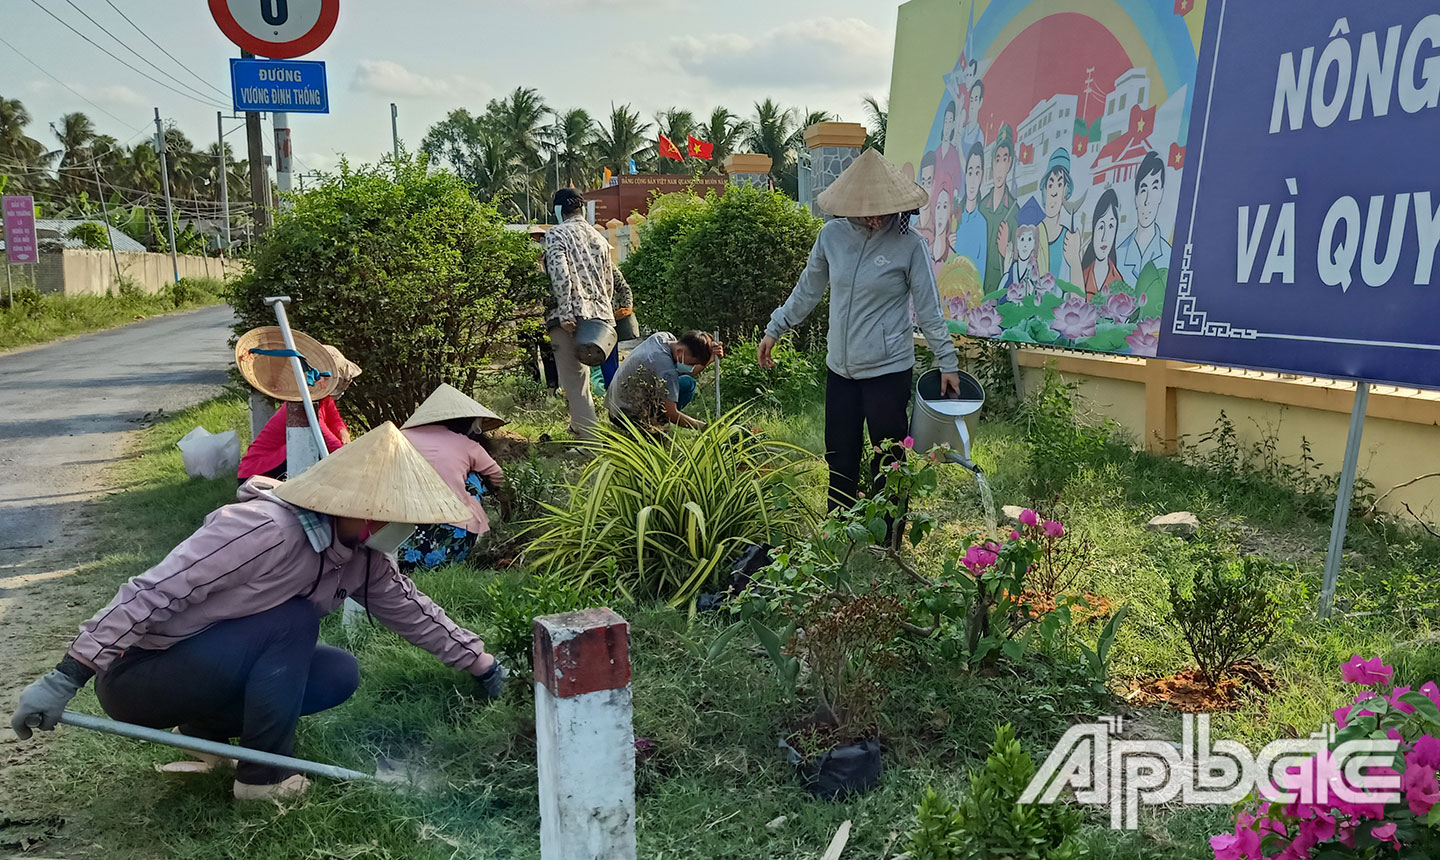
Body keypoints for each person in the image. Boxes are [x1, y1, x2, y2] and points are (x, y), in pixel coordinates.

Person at [8, 423, 506, 801]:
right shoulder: (264, 529)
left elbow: (410, 609)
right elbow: (152, 591)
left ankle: (208, 740)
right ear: (361, 506)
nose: (399, 529)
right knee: (291, 620)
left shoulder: (360, 555)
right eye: (394, 517)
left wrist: (482, 665)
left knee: (337, 672)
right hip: (139, 678)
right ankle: (261, 777)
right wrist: (65, 677)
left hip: (205, 669)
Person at [758, 149, 962, 513]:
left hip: (888, 371)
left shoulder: (909, 245)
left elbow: (929, 309)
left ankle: (889, 534)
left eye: (883, 207)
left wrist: (947, 361)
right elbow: (808, 290)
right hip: (841, 370)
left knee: (889, 458)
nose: (876, 216)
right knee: (840, 455)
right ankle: (840, 527)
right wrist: (776, 329)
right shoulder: (832, 237)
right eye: (867, 208)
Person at [543, 188, 635, 439]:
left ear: (560, 211)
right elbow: (609, 281)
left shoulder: (556, 235)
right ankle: (578, 428)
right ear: (582, 209)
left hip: (569, 317)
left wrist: (565, 311)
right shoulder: (599, 238)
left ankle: (591, 440)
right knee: (584, 376)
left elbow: (560, 275)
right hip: (599, 318)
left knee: (573, 380)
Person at [397, 384, 509, 571]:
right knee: (475, 475)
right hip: (451, 539)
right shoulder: (465, 444)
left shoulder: (398, 437)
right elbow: (499, 477)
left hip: (394, 536)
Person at [235, 329, 361, 482]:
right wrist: (351, 458)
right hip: (258, 472)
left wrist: (343, 433)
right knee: (314, 449)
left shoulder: (324, 399)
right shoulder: (302, 404)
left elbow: (335, 421)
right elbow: (321, 434)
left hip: (276, 463)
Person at [607, 331, 723, 433]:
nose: (691, 367)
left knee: (687, 383)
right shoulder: (666, 370)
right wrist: (704, 427)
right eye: (691, 363)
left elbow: (687, 373)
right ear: (680, 352)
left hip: (614, 405)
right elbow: (671, 413)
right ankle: (654, 426)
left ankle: (654, 421)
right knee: (684, 387)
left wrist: (709, 357)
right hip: (625, 416)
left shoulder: (663, 337)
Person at [1115, 151, 1171, 284]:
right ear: (1136, 197)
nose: (1147, 200)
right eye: (1143, 189)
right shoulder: (1117, 256)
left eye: (1155, 188)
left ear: (1162, 193)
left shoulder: (1170, 255)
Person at [981, 124, 1018, 292]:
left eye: (1005, 159)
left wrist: (1005, 252)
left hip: (999, 293)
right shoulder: (982, 207)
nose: (1000, 166)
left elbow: (1021, 261)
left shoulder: (1014, 211)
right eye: (997, 159)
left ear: (1010, 162)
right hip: (977, 290)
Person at [1037, 148, 1081, 283]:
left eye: (1059, 184)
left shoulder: (1069, 240)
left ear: (1065, 191)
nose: (1054, 192)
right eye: (1050, 185)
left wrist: (1075, 261)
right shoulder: (1032, 233)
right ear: (1044, 189)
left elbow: (1078, 298)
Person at [1080, 188, 1126, 298]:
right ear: (1093, 229)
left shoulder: (1118, 282)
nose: (1105, 237)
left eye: (1111, 226)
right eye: (1101, 226)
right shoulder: (1082, 277)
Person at [951, 142, 988, 278]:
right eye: (970, 172)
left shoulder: (982, 223)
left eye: (977, 172)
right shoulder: (955, 215)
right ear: (965, 176)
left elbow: (981, 271)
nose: (972, 180)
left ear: (982, 177)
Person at [1000, 198, 1047, 301]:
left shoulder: (1034, 272)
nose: (1025, 244)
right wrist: (1006, 272)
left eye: (1029, 239)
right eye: (1022, 239)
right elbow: (1001, 298)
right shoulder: (1013, 268)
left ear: (1035, 244)